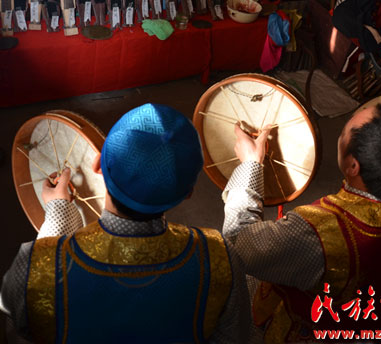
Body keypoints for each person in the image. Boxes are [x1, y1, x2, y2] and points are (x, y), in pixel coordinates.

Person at [1, 104, 250, 343]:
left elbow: (21, 333)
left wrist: (58, 212)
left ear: (97, 164)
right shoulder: (219, 259)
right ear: (188, 193)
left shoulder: (33, 266)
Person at [222, 103, 381, 342]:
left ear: (352, 166)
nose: (342, 132)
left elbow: (238, 244)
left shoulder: (319, 232)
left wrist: (250, 163)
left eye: (344, 131)